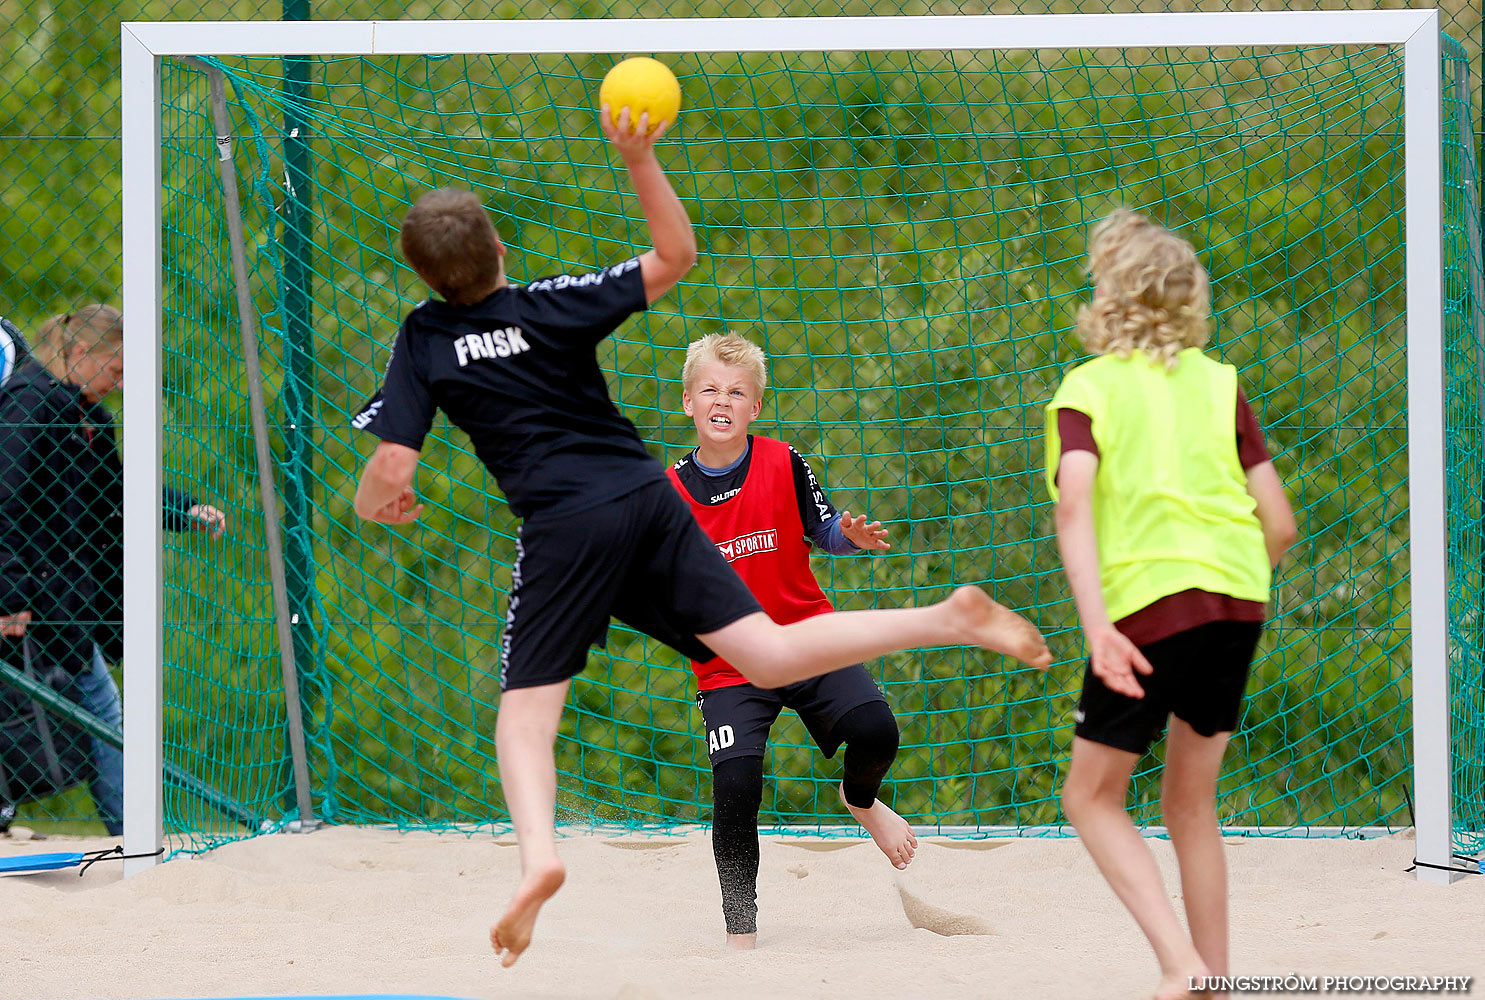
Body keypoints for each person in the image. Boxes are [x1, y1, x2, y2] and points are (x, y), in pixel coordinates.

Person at [350, 106, 1053, 968]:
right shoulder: (548, 305)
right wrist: (639, 157)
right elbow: (676, 256)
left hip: (566, 529)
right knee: (766, 650)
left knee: (525, 719)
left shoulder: (424, 338)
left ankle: (539, 860)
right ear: (500, 254)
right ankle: (942, 617)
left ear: (421, 275)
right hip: (649, 495)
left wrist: (377, 501)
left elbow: (389, 465)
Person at [1045, 210, 1297, 1000]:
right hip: (1237, 603)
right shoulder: (1221, 384)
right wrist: (1230, 581)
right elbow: (1280, 524)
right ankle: (1216, 981)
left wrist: (1097, 628)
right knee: (1191, 802)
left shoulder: (1086, 390)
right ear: (1190, 301)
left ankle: (1178, 964)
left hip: (1147, 612)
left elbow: (1072, 507)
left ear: (1108, 297)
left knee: (1089, 797)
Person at [667, 331, 913, 949]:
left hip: (804, 637)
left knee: (878, 732)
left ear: (755, 406)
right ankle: (741, 938)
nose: (723, 400)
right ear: (689, 402)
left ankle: (860, 801)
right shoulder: (665, 497)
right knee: (736, 790)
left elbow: (823, 530)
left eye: (738, 391)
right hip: (729, 667)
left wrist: (848, 539)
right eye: (711, 389)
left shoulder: (783, 462)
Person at [0, 304, 228, 836]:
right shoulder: (28, 407)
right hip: (34, 600)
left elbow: (113, 492)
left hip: (66, 601)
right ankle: (133, 832)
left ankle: (131, 829)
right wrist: (8, 593)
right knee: (100, 713)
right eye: (117, 369)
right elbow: (2, 506)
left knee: (97, 713)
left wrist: (181, 509)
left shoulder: (86, 417)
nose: (121, 384)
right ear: (80, 353)